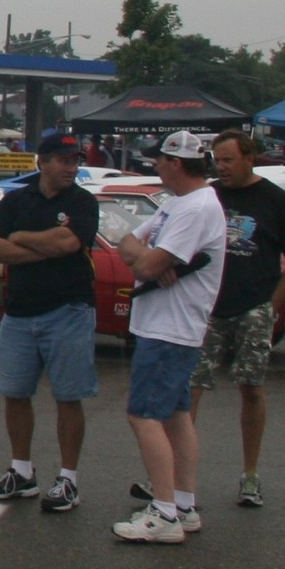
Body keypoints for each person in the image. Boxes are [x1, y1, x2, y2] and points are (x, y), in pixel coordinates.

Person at [104, 129, 229, 544]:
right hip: (169, 325)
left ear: (176, 162)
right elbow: (128, 245)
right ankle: (183, 503)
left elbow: (141, 266)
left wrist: (150, 262)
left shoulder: (194, 209)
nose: (154, 165)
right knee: (176, 415)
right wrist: (151, 261)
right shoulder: (177, 205)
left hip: (170, 327)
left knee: (144, 414)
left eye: (158, 159)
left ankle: (164, 513)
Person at [0, 129, 99, 513]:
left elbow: (69, 244)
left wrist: (23, 238)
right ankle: (21, 471)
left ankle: (68, 478)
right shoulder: (16, 200)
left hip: (68, 310)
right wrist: (43, 246)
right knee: (15, 392)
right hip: (19, 312)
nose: (70, 168)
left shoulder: (82, 202)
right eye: (63, 161)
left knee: (68, 396)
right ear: (42, 162)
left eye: (75, 161)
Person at [185, 130, 285, 509]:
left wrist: (271, 307)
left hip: (253, 305)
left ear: (249, 158)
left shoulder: (275, 200)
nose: (220, 168)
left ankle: (250, 475)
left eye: (228, 160)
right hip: (207, 308)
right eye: (216, 161)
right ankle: (178, 477)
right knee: (189, 388)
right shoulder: (207, 196)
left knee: (251, 388)